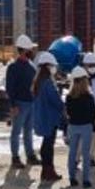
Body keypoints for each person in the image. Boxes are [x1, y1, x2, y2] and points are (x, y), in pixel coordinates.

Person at [5, 35, 38, 168]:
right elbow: (10, 88)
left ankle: (30, 155)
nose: (32, 52)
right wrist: (12, 105)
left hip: (31, 103)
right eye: (30, 49)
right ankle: (15, 158)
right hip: (20, 104)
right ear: (24, 50)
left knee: (28, 131)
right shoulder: (13, 67)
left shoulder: (31, 67)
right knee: (16, 132)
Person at [32, 52, 64, 182]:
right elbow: (55, 100)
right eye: (52, 66)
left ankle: (46, 170)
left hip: (42, 116)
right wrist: (64, 105)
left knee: (46, 144)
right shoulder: (47, 83)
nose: (54, 68)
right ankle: (48, 170)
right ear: (48, 66)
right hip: (50, 118)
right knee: (48, 145)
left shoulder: (38, 82)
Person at [65, 67, 95, 188]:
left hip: (73, 126)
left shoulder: (69, 97)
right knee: (85, 153)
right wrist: (93, 124)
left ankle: (72, 178)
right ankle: (85, 180)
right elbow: (93, 113)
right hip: (86, 127)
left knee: (72, 152)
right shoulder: (89, 97)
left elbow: (68, 112)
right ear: (85, 81)